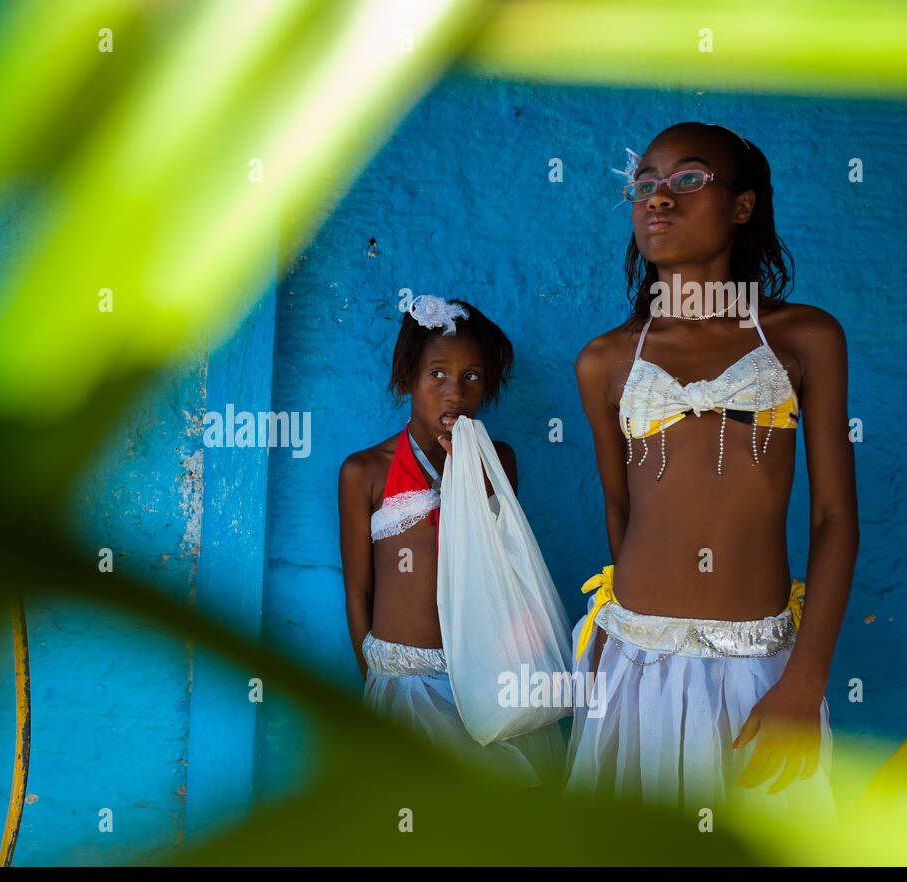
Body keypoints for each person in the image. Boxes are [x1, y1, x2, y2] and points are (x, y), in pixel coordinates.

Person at [568, 123, 856, 815]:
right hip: (633, 665)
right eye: (644, 186)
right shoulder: (605, 360)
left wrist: (805, 680)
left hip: (761, 671)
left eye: (688, 180)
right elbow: (621, 510)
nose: (657, 200)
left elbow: (833, 518)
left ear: (743, 206)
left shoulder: (804, 337)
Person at [338, 294, 565, 789]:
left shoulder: (497, 461)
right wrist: (376, 679)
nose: (455, 393)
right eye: (437, 374)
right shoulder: (365, 472)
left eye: (473, 376)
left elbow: (501, 562)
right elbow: (358, 591)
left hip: (486, 681)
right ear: (407, 381)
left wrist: (471, 471)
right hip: (405, 686)